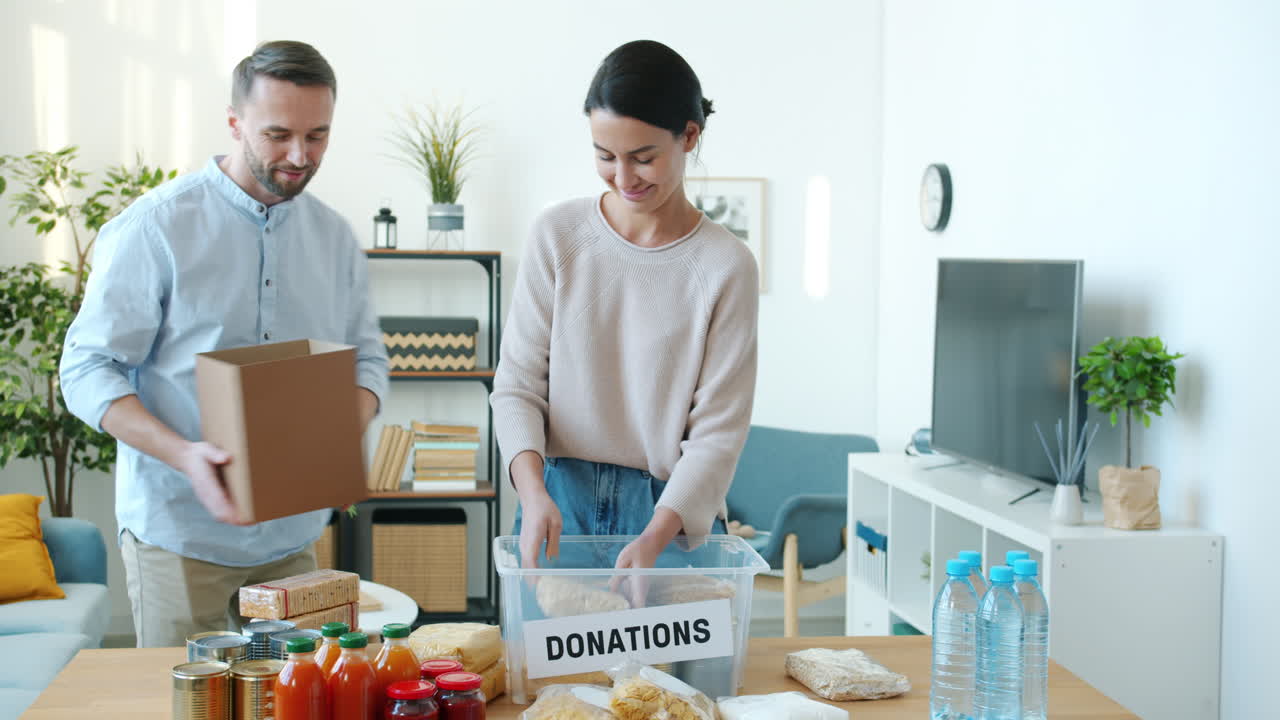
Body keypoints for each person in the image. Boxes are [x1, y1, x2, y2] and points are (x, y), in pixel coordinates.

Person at [59, 40, 388, 647]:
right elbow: (85, 370)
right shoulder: (154, 228)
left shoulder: (335, 238)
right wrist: (186, 455)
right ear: (235, 123)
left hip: (293, 544)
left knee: (296, 705)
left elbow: (368, 358)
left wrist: (342, 429)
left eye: (318, 136)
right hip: (179, 539)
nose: (299, 155)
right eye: (278, 134)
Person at [491, 40, 759, 595]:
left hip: (666, 511)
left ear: (688, 136)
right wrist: (531, 491)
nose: (623, 176)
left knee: (668, 686)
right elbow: (516, 386)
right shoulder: (557, 235)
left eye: (643, 156)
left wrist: (657, 534)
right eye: (604, 156)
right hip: (557, 498)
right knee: (544, 682)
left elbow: (717, 432)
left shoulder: (726, 265)